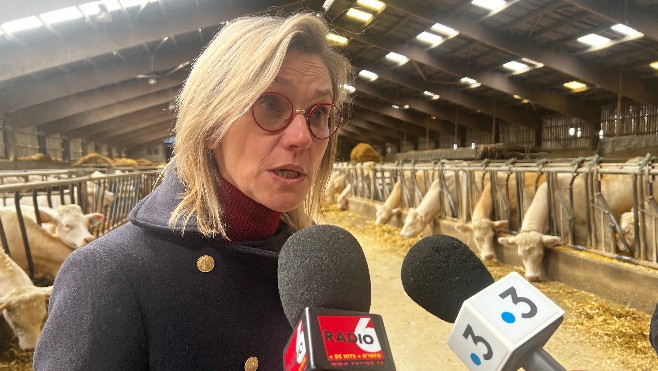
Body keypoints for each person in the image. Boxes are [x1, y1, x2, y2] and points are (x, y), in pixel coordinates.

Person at [33, 12, 353, 370]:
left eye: (320, 112)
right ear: (212, 122)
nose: (302, 137)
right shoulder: (108, 274)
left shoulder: (318, 267)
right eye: (270, 104)